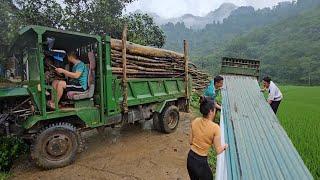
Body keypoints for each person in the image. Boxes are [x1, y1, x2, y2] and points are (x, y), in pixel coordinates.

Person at [187, 96, 228, 180]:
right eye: (215, 109)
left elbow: (190, 142)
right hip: (201, 162)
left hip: (190, 159)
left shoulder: (195, 121)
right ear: (210, 112)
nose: (215, 110)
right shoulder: (215, 128)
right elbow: (218, 150)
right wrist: (225, 146)